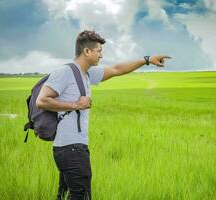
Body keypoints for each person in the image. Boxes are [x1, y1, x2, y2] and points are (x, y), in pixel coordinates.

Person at [36, 30, 171, 200]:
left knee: (64, 195)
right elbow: (42, 101)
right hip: (70, 148)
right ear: (87, 51)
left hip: (73, 147)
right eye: (99, 51)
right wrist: (77, 104)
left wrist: (146, 60)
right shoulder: (65, 72)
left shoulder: (85, 74)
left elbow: (116, 70)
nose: (101, 55)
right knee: (81, 196)